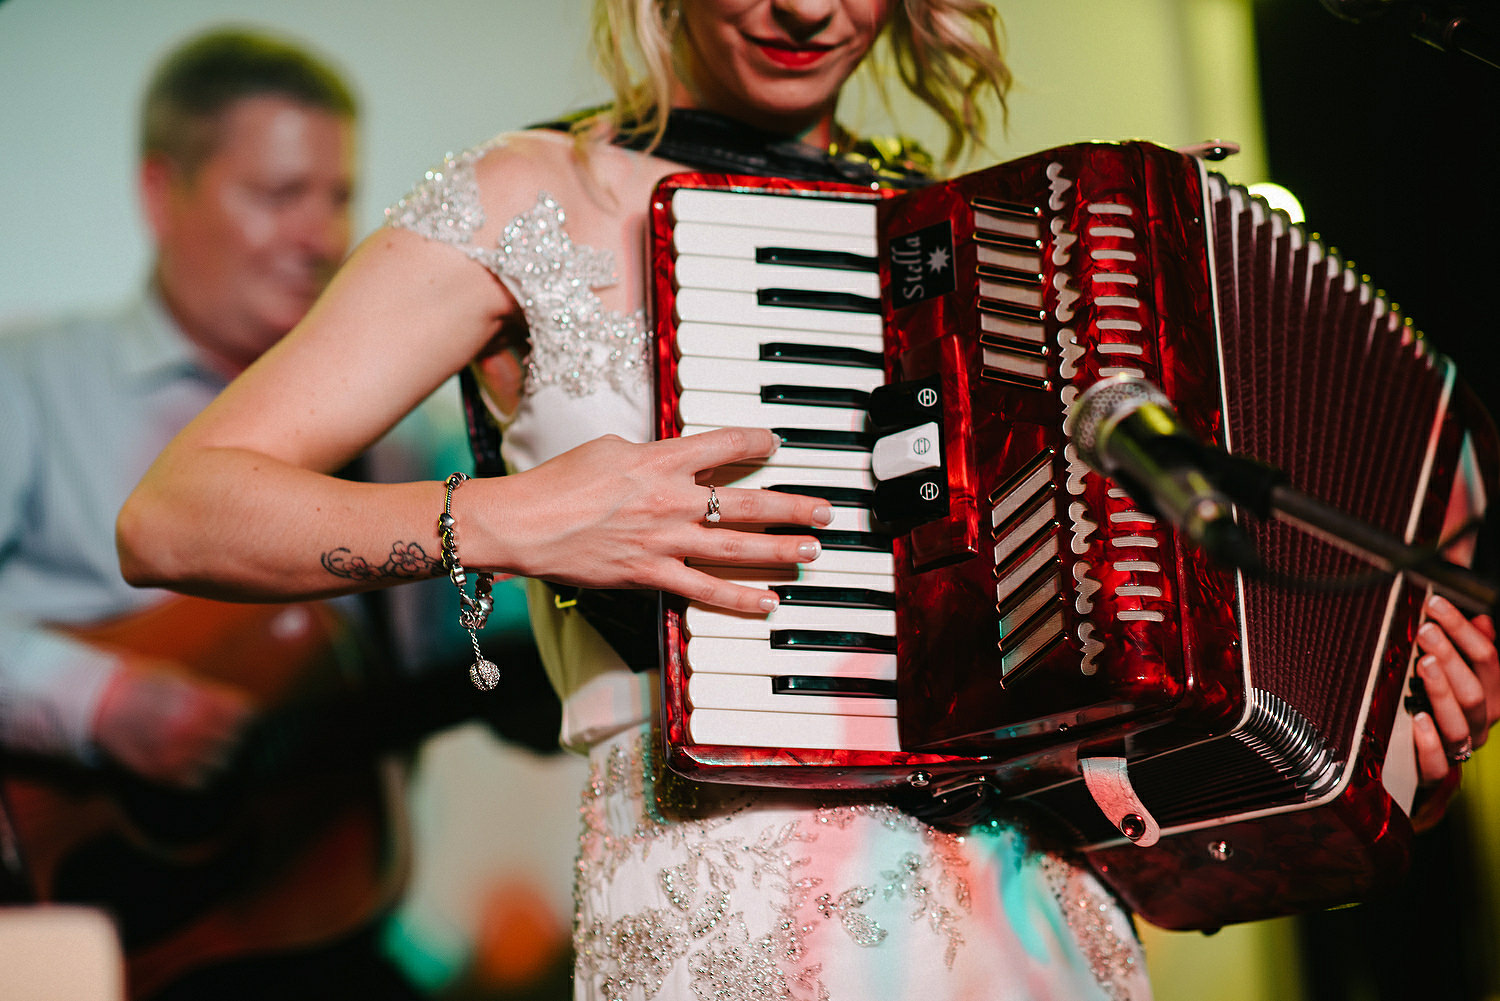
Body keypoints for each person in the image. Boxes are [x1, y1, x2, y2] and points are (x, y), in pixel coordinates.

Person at [116, 2, 1500, 999]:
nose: (805, 7)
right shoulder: (535, 191)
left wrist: (1372, 725)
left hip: (1035, 914)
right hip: (734, 909)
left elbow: (1138, 693)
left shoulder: (998, 245)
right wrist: (511, 521)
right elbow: (177, 509)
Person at [0, 27, 468, 1001]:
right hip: (62, 931)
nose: (320, 237)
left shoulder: (396, 439)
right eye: (277, 195)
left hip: (305, 934)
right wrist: (101, 704)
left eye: (337, 197)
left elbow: (454, 659)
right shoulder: (30, 383)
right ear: (161, 193)